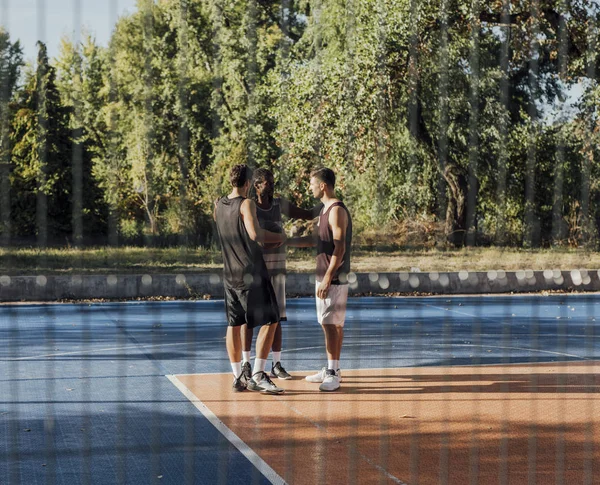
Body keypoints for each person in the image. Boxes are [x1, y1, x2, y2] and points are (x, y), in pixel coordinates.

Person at [240, 168, 322, 381]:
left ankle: (276, 364)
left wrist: (326, 200)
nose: (271, 186)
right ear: (256, 185)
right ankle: (246, 364)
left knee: (276, 318)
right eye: (267, 182)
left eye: (273, 182)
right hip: (256, 270)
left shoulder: (279, 204)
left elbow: (307, 214)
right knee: (249, 319)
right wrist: (277, 238)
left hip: (277, 270)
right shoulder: (249, 207)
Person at [213, 164, 287, 394]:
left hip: (229, 275)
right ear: (247, 184)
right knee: (271, 319)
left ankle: (237, 376)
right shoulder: (246, 203)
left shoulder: (218, 205)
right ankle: (258, 373)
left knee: (234, 324)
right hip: (251, 271)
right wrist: (280, 236)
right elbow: (255, 235)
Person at [287, 167, 352, 392]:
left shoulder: (336, 210)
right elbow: (317, 240)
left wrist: (327, 279)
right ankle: (333, 368)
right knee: (333, 324)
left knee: (330, 325)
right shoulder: (325, 210)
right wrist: (285, 242)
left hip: (332, 277)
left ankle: (333, 372)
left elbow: (340, 247)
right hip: (326, 275)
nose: (310, 187)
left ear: (323, 185)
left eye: (312, 183)